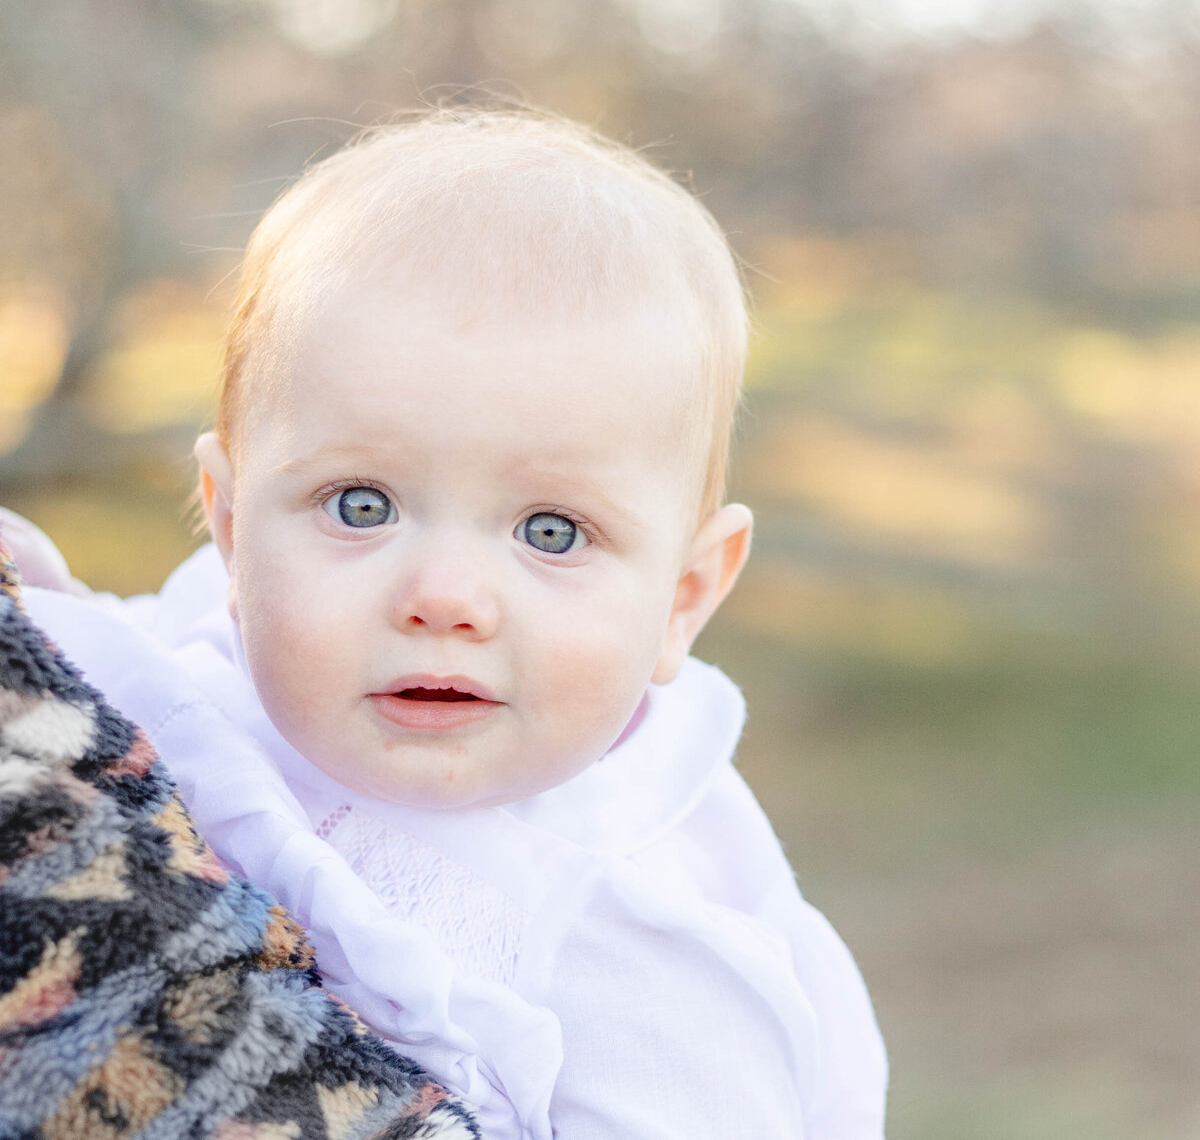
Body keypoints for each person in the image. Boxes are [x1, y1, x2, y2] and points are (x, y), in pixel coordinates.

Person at [14, 109, 888, 1140]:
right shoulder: (213, 643)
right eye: (361, 505)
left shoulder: (640, 949)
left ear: (684, 598)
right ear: (233, 525)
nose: (445, 596)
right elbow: (101, 682)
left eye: (553, 531)